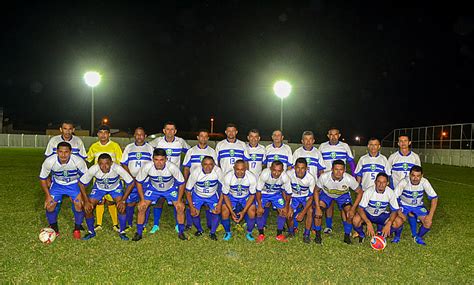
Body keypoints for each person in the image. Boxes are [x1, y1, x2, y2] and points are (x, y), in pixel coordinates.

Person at [132, 148, 187, 241]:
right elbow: (138, 182)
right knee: (142, 207)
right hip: (154, 189)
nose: (159, 163)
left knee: (180, 207)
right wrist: (142, 200)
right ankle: (138, 233)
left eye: (162, 160)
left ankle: (181, 232)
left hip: (170, 189)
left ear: (166, 159)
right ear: (152, 159)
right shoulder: (147, 166)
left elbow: (182, 183)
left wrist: (179, 200)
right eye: (156, 160)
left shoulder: (172, 167)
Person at [148, 122, 191, 233]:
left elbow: (190, 152)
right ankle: (156, 225)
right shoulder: (158, 141)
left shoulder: (180, 141)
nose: (170, 131)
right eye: (168, 129)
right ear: (164, 131)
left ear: (175, 131)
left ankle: (178, 224)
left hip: (175, 176)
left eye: (172, 129)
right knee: (159, 200)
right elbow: (147, 149)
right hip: (161, 175)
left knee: (177, 200)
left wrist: (186, 165)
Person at [80, 153, 134, 240]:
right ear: (98, 163)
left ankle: (122, 232)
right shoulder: (94, 169)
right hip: (99, 188)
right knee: (88, 208)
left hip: (115, 188)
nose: (104, 166)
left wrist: (123, 200)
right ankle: (91, 232)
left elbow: (131, 183)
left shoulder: (117, 168)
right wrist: (86, 201)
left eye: (107, 164)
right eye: (101, 164)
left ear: (111, 163)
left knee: (121, 207)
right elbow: (81, 183)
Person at [39, 142, 88, 239]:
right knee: (49, 205)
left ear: (71, 152)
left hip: (74, 184)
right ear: (57, 152)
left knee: (79, 204)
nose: (63, 155)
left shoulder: (78, 161)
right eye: (60, 152)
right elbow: (42, 178)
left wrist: (81, 193)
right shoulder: (49, 161)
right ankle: (54, 227)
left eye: (66, 152)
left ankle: (77, 228)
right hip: (57, 185)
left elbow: (86, 177)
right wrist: (48, 196)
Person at [44, 120, 87, 231]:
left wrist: (81, 185)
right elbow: (47, 160)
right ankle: (53, 225)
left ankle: (78, 225)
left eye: (69, 129)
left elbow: (82, 161)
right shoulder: (53, 141)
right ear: (61, 129)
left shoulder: (78, 141)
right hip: (57, 178)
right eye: (65, 128)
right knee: (52, 204)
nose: (67, 131)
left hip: (74, 180)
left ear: (73, 130)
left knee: (77, 203)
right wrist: (48, 178)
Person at [314, 160, 363, 244]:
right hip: (327, 195)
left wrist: (353, 208)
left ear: (344, 170)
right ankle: (318, 236)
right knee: (317, 214)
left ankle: (347, 236)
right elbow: (316, 191)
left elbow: (360, 192)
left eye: (341, 170)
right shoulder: (324, 177)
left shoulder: (349, 179)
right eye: (336, 169)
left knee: (349, 214)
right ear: (332, 169)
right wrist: (318, 208)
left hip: (342, 195)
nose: (338, 172)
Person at [318, 128, 356, 234]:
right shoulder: (322, 146)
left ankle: (346, 228)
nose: (333, 136)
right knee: (328, 204)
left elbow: (351, 162)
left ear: (339, 135)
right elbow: (319, 163)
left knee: (343, 206)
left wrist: (353, 177)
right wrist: (320, 177)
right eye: (331, 134)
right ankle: (329, 226)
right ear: (328, 135)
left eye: (335, 134)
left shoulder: (344, 146)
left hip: (341, 180)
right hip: (327, 181)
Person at [86, 125, 123, 232]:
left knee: (111, 202)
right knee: (99, 201)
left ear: (109, 134)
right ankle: (98, 224)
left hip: (113, 180)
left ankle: (115, 224)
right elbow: (88, 159)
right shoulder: (94, 146)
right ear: (97, 134)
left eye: (105, 132)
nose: (103, 135)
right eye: (100, 132)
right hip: (98, 180)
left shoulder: (115, 146)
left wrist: (120, 177)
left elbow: (120, 161)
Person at [352, 173, 403, 243]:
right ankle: (361, 234)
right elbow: (360, 209)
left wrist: (389, 223)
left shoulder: (390, 193)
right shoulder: (368, 191)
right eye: (379, 181)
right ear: (375, 182)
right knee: (356, 220)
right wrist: (368, 223)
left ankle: (382, 234)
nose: (381, 184)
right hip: (368, 214)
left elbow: (395, 210)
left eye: (384, 182)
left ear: (387, 183)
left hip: (381, 215)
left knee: (399, 221)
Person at [182, 129, 217, 230]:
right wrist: (185, 180)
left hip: (206, 181)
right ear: (198, 138)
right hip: (193, 181)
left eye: (206, 136)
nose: (203, 138)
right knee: (191, 204)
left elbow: (215, 167)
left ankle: (209, 224)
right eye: (201, 136)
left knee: (207, 204)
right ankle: (189, 224)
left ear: (208, 138)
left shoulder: (212, 151)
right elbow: (187, 167)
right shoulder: (191, 151)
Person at [120, 127, 154, 231]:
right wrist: (131, 176)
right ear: (134, 136)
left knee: (144, 202)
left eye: (141, 134)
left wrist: (145, 176)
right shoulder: (129, 147)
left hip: (145, 181)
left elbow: (154, 164)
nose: (139, 136)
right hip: (131, 180)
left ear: (145, 136)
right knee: (130, 202)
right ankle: (129, 223)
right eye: (137, 134)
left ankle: (143, 224)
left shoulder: (150, 148)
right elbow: (124, 163)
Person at [394, 165, 438, 245]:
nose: (415, 178)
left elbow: (434, 198)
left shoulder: (424, 182)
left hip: (418, 206)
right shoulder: (404, 182)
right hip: (404, 205)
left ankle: (418, 237)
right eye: (413, 175)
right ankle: (397, 236)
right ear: (409, 175)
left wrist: (430, 215)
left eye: (418, 176)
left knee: (428, 222)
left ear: (422, 176)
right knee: (397, 221)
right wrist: (399, 212)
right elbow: (393, 198)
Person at [185, 156, 224, 240]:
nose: (208, 167)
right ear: (202, 165)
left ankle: (212, 233)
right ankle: (200, 230)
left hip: (212, 195)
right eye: (205, 164)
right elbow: (188, 191)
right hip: (198, 195)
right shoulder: (196, 172)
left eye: (210, 164)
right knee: (194, 213)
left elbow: (223, 189)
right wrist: (191, 207)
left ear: (214, 165)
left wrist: (220, 204)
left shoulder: (218, 171)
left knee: (216, 211)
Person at [255, 161, 292, 243]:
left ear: (282, 170)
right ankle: (261, 234)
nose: (276, 173)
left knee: (283, 212)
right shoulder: (265, 174)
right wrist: (260, 206)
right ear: (270, 168)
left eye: (279, 171)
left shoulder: (285, 177)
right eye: (274, 170)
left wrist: (286, 207)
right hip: (263, 194)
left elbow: (289, 193)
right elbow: (258, 191)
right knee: (259, 212)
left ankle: (279, 234)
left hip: (276, 194)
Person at [221, 160, 257, 241]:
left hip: (245, 197)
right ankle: (227, 232)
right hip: (232, 196)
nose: (240, 172)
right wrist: (231, 211)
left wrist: (244, 212)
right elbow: (225, 195)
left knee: (252, 210)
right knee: (224, 210)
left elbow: (252, 195)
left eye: (242, 169)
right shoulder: (228, 177)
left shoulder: (251, 177)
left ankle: (249, 232)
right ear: (234, 168)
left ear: (246, 169)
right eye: (237, 169)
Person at [286, 158, 317, 243]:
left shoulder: (310, 178)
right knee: (288, 211)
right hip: (293, 196)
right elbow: (284, 191)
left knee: (310, 211)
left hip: (305, 197)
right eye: (298, 168)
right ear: (294, 167)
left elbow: (311, 198)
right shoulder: (288, 174)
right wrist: (288, 206)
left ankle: (306, 234)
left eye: (302, 168)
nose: (300, 170)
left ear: (306, 168)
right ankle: (291, 231)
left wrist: (303, 213)